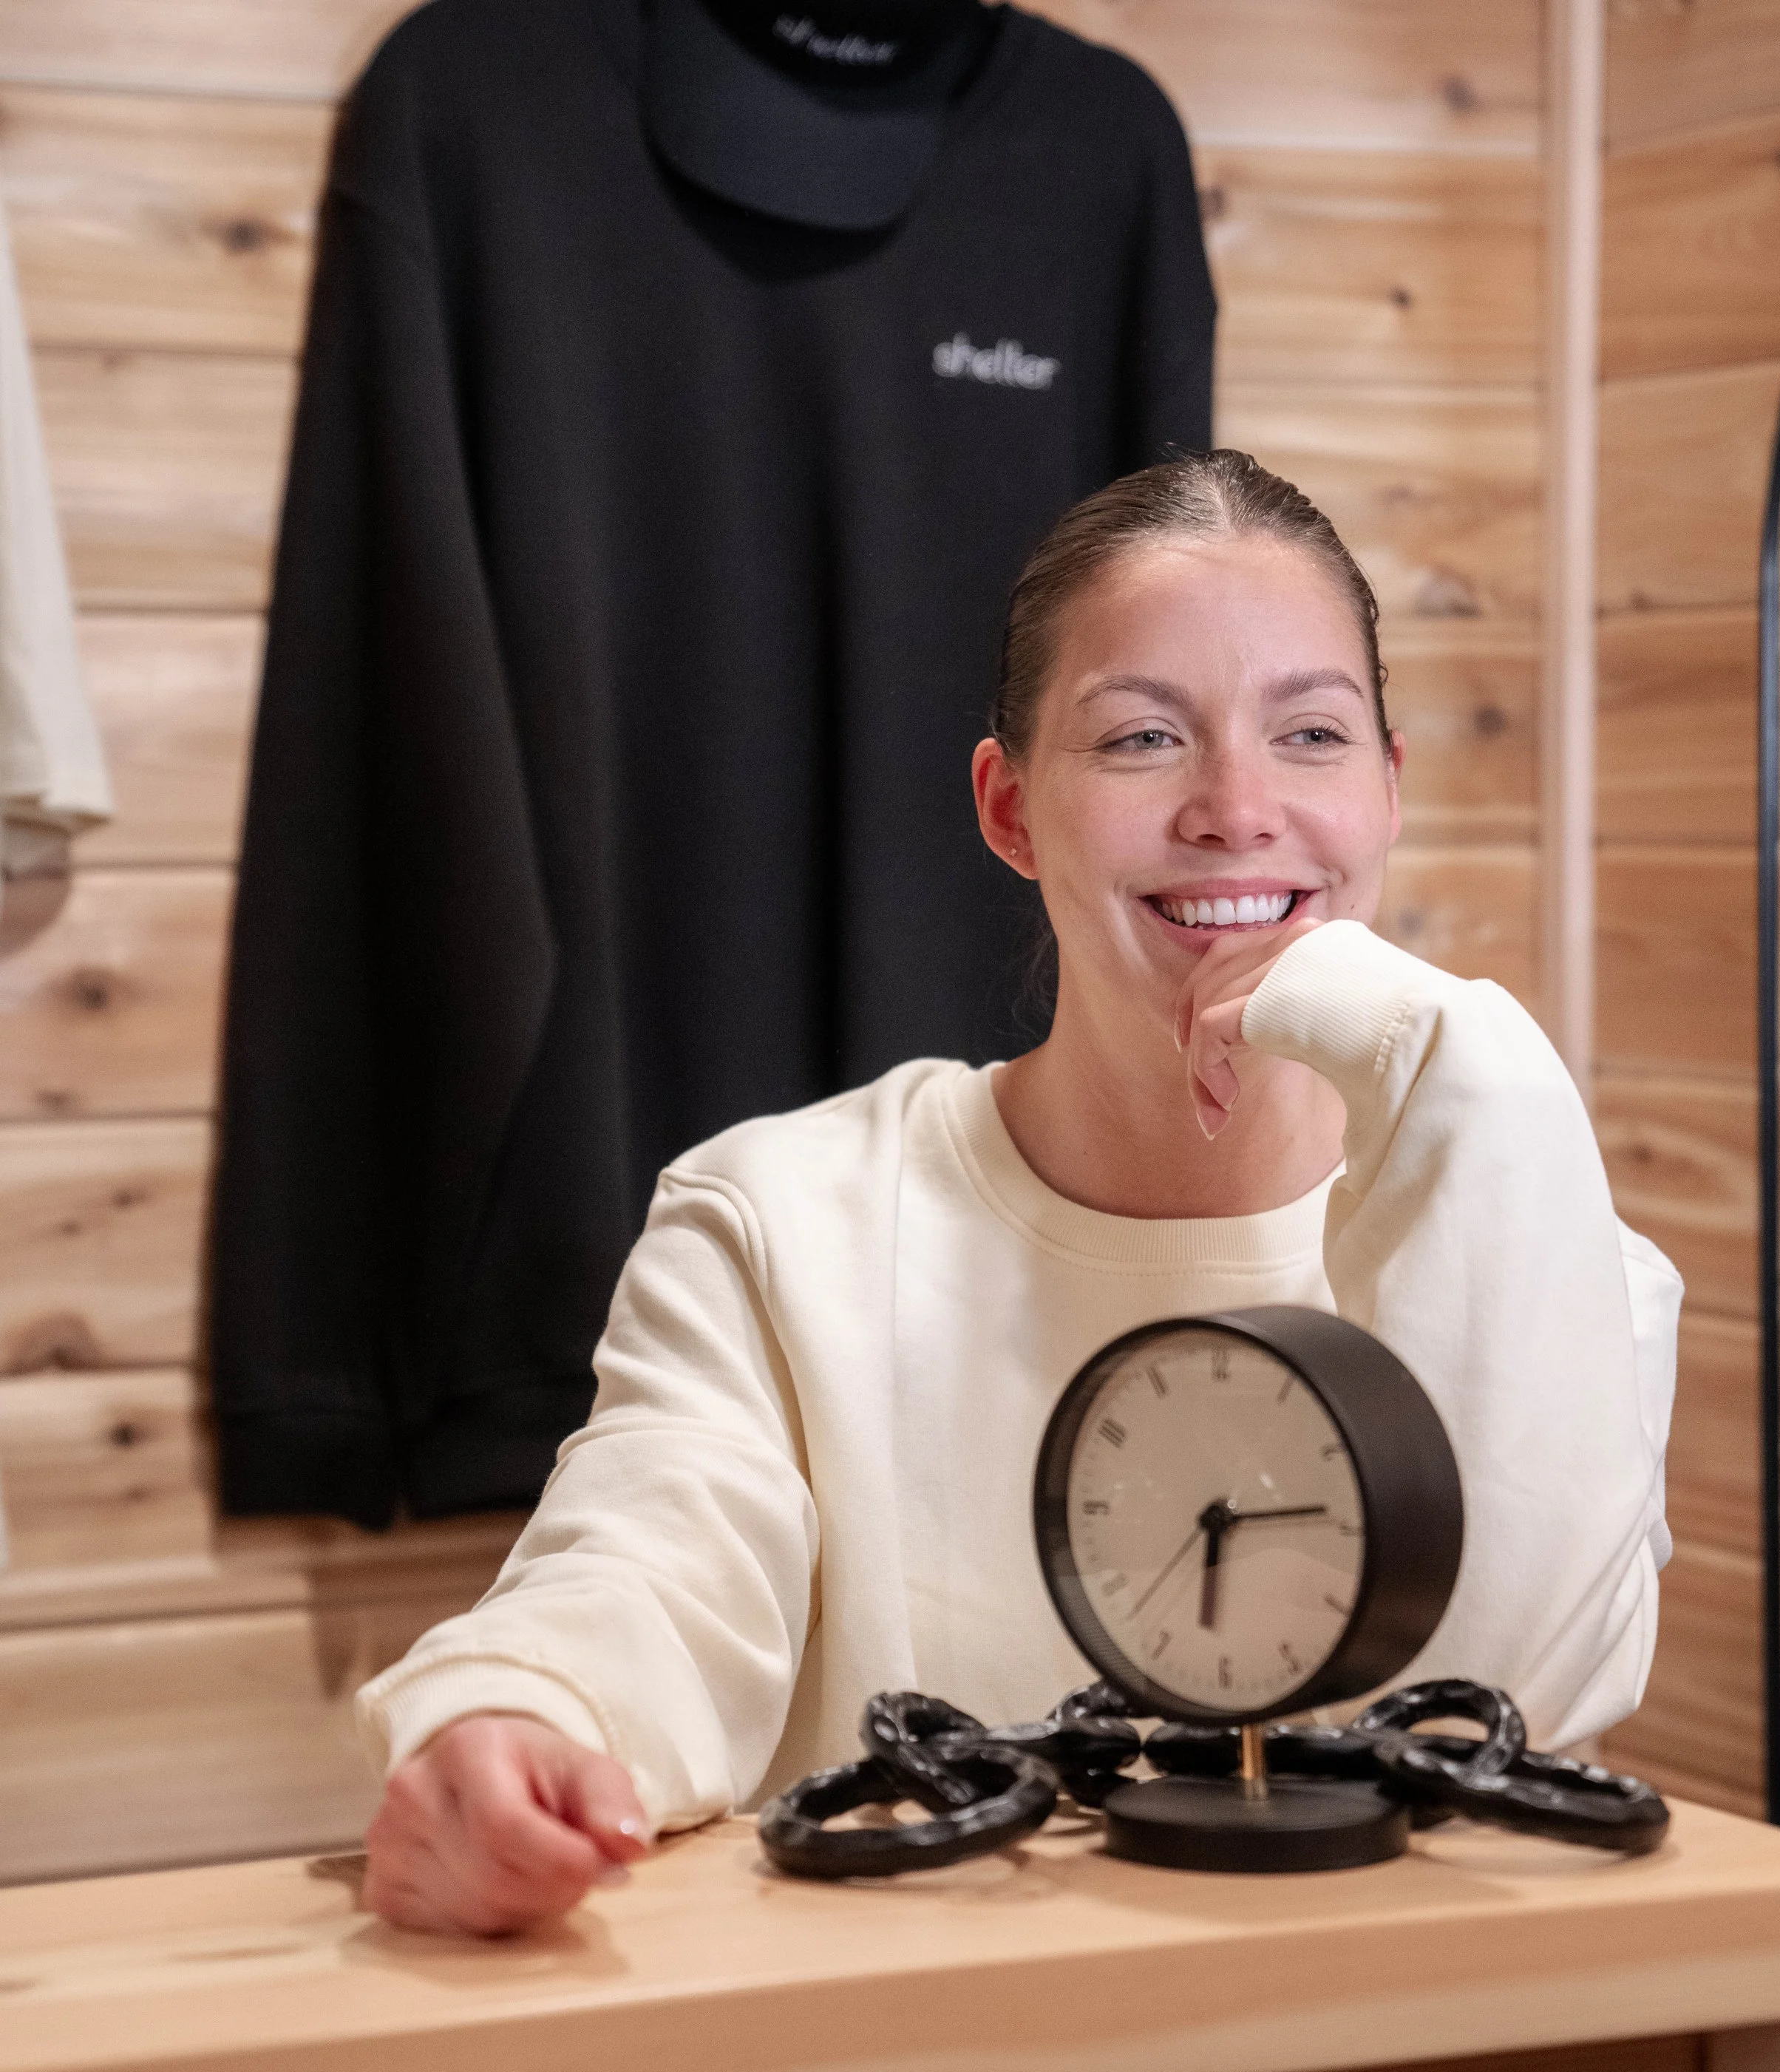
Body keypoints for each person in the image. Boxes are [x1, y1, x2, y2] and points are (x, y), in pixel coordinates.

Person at [356, 450, 1681, 1935]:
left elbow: (1502, 1712)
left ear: (1386, 790)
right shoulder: (780, 1224)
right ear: (1009, 809)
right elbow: (648, 1569)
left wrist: (1454, 1057)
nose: (1236, 808)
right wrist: (523, 1711)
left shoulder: (1558, 1259)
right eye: (1141, 738)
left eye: (1310, 734)